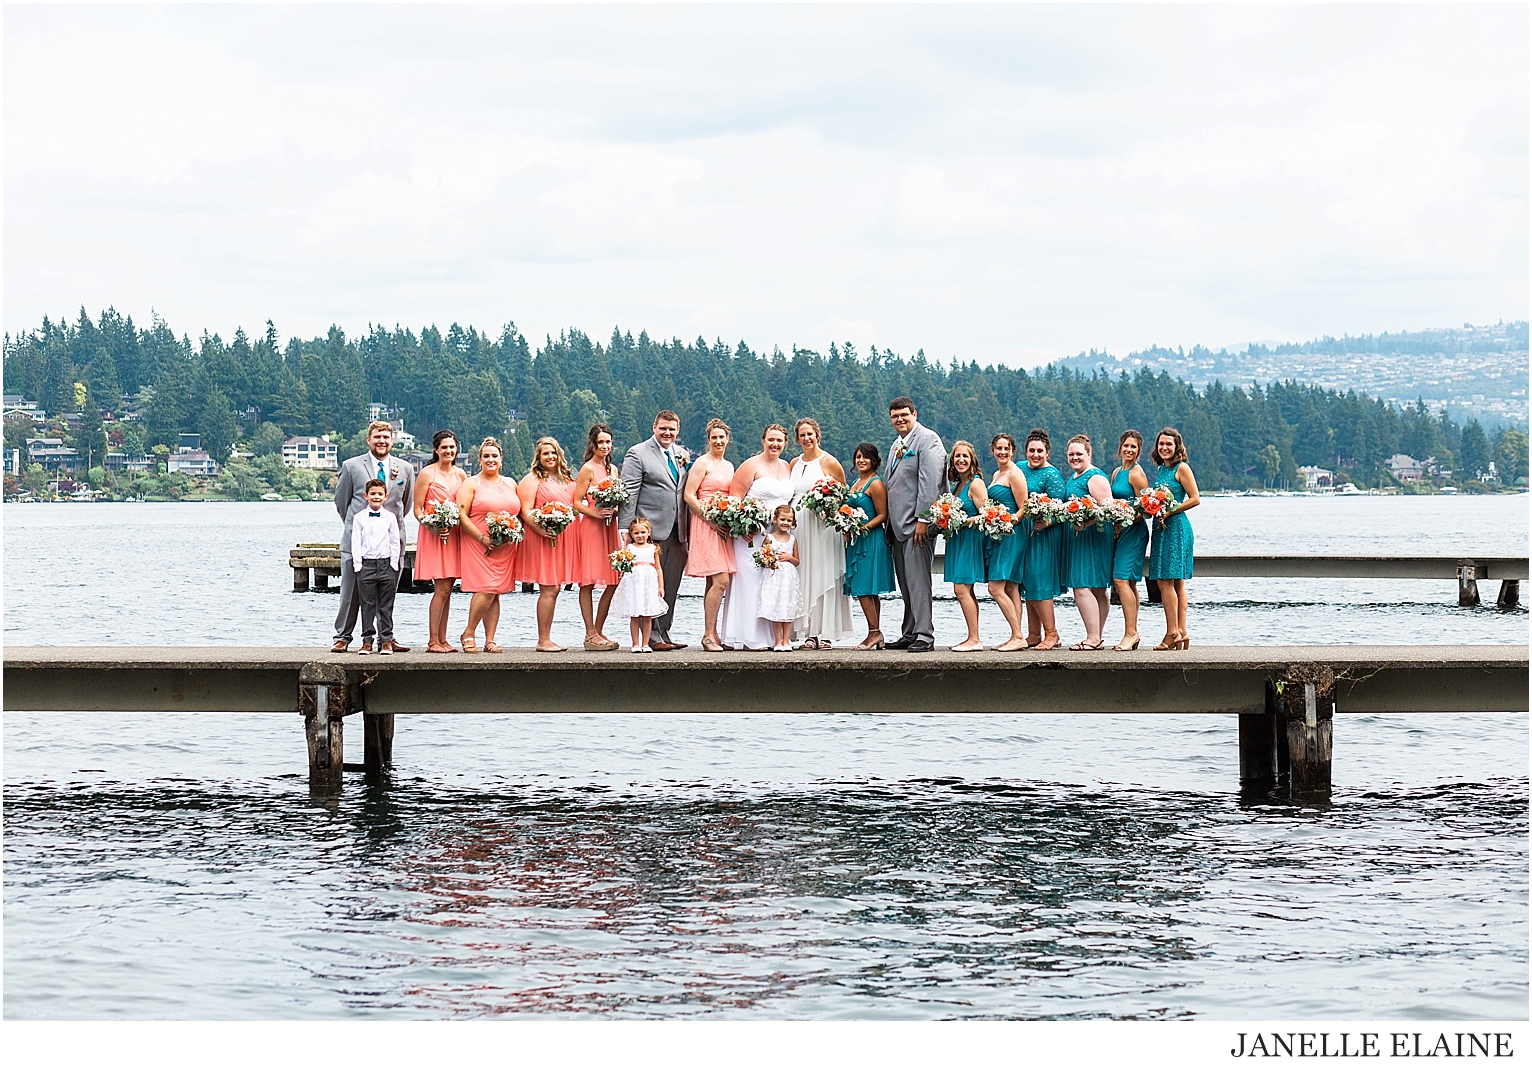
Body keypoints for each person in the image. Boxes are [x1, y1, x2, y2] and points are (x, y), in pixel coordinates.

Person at [331, 420, 414, 653]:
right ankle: (343, 637)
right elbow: (341, 502)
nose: (382, 441)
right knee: (351, 593)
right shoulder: (351, 466)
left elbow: (405, 505)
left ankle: (385, 638)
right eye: (377, 437)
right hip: (356, 542)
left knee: (387, 593)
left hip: (390, 544)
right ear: (369, 439)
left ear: (392, 440)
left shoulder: (404, 469)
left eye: (386, 437)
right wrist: (360, 526)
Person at [618, 411, 690, 651]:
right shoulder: (637, 453)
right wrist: (626, 529)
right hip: (649, 532)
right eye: (663, 429)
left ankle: (665, 633)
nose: (667, 433)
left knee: (670, 585)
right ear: (654, 427)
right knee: (649, 587)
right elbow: (628, 493)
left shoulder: (680, 454)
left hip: (678, 529)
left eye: (672, 429)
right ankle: (652, 638)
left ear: (678, 430)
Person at [718, 424, 794, 650]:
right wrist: (744, 525)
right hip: (751, 535)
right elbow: (734, 500)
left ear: (785, 443)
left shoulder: (786, 466)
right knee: (750, 582)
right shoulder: (750, 465)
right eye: (771, 439)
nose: (775, 444)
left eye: (779, 440)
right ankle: (746, 636)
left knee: (773, 583)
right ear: (763, 441)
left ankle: (775, 638)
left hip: (777, 535)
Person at [882, 397, 946, 653]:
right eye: (895, 416)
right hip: (897, 527)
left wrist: (923, 519)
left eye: (904, 415)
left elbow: (930, 483)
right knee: (906, 585)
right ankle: (909, 632)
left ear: (914, 414)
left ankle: (924, 635)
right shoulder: (897, 444)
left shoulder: (928, 440)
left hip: (916, 527)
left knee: (919, 583)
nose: (900, 419)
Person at [788, 418, 855, 649]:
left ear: (817, 435)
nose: (806, 438)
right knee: (804, 574)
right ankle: (808, 633)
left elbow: (843, 496)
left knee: (823, 574)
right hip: (799, 528)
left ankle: (825, 632)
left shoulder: (829, 462)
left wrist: (831, 512)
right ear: (797, 439)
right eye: (802, 435)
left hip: (823, 528)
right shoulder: (794, 463)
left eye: (810, 434)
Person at [455, 437, 519, 653]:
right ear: (480, 460)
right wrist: (481, 538)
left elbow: (516, 514)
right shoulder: (471, 483)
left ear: (501, 459)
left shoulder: (510, 483)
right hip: (479, 544)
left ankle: (490, 639)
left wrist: (512, 531)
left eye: (494, 456)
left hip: (505, 546)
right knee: (486, 588)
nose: (491, 460)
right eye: (486, 456)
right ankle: (469, 632)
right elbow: (461, 515)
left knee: (496, 591)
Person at [517, 436, 580, 653]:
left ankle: (547, 638)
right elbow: (524, 512)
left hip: (564, 538)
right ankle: (543, 640)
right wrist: (543, 530)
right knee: (550, 588)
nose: (550, 456)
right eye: (545, 453)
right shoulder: (532, 479)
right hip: (542, 539)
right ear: (539, 457)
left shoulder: (568, 478)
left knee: (555, 589)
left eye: (553, 452)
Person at [682, 417, 737, 652]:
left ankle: (713, 633)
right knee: (721, 580)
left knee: (713, 581)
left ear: (727, 439)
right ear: (708, 440)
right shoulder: (702, 463)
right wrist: (710, 519)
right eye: (714, 437)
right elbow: (689, 495)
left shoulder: (729, 465)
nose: (718, 441)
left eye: (721, 437)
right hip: (706, 524)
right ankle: (707, 635)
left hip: (723, 526)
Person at [412, 429, 466, 653]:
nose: (448, 451)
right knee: (441, 588)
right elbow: (417, 509)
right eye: (444, 447)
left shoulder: (461, 475)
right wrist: (431, 525)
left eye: (452, 447)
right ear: (435, 449)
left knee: (448, 588)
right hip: (435, 535)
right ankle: (433, 640)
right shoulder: (427, 474)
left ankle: (443, 639)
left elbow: (464, 506)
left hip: (454, 535)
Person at [1147, 426, 1200, 650]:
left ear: (1177, 446)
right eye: (1161, 444)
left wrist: (1171, 510)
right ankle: (1182, 632)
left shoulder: (1181, 468)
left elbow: (1195, 498)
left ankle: (1172, 633)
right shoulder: (1162, 470)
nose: (1165, 447)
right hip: (1162, 527)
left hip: (1176, 526)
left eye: (1169, 444)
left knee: (1165, 581)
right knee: (1176, 582)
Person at [572, 423, 623, 652]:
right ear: (593, 443)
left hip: (610, 527)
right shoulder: (588, 469)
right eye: (600, 442)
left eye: (608, 442)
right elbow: (576, 501)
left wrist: (616, 508)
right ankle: (589, 632)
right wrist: (595, 512)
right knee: (589, 580)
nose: (604, 446)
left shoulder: (612, 470)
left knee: (614, 579)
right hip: (592, 527)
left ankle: (599, 629)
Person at [841, 443, 895, 650]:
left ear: (874, 460)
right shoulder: (856, 481)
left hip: (870, 539)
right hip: (856, 539)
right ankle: (875, 633)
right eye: (858, 457)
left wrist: (861, 527)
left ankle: (874, 633)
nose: (861, 460)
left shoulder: (875, 484)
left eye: (866, 457)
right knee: (867, 590)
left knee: (865, 588)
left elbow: (883, 515)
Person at [1063, 434, 1114, 650]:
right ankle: (1096, 637)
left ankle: (1093, 638)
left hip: (1093, 537)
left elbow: (1109, 509)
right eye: (1071, 454)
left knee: (1082, 586)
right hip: (1081, 537)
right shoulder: (1075, 477)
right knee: (1096, 588)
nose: (1075, 458)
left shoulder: (1095, 478)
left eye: (1079, 454)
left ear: (1089, 454)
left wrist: (1086, 523)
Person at [981, 433, 1030, 651]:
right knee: (1011, 587)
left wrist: (1008, 522)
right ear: (993, 450)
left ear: (1012, 451)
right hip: (999, 533)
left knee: (995, 587)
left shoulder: (1015, 474)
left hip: (1012, 534)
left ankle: (1018, 635)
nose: (1002, 452)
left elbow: (1024, 507)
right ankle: (1015, 636)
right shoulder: (996, 474)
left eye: (1006, 449)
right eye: (999, 448)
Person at [1020, 429, 1066, 650]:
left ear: (1047, 452)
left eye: (1040, 451)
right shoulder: (1019, 468)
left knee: (1040, 582)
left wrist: (1047, 521)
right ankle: (1033, 633)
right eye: (1031, 451)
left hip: (1044, 534)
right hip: (1024, 532)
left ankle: (1052, 633)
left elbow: (1062, 509)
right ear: (1025, 451)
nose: (1035, 455)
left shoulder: (1052, 475)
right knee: (1028, 583)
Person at [941, 440, 989, 652]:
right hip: (957, 540)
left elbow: (987, 515)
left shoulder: (976, 484)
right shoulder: (958, 486)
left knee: (961, 589)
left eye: (965, 457)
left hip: (969, 541)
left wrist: (961, 521)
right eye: (957, 456)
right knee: (964, 590)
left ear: (972, 461)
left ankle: (975, 639)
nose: (961, 460)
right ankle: (972, 636)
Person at [351, 479, 404, 654]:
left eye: (380, 494)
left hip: (385, 564)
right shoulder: (359, 518)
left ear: (386, 496)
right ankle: (367, 641)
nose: (376, 497)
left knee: (386, 604)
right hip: (366, 565)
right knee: (367, 604)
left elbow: (395, 541)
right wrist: (358, 565)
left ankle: (386, 640)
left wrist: (393, 564)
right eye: (372, 494)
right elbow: (356, 542)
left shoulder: (390, 517)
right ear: (365, 496)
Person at [1110, 430, 1151, 651]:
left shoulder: (1137, 474)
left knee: (1120, 579)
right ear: (1120, 447)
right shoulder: (1117, 472)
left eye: (1133, 447)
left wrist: (1126, 520)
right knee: (1130, 582)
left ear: (1138, 451)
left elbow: (1147, 509)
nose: (1129, 450)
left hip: (1134, 533)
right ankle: (1132, 632)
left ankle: (1130, 633)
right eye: (1126, 446)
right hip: (1120, 532)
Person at [616, 518, 667, 654]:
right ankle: (635, 643)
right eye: (636, 533)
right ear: (632, 534)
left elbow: (658, 568)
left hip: (649, 583)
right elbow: (625, 566)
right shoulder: (630, 548)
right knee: (635, 614)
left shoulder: (653, 548)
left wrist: (661, 586)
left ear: (649, 532)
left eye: (643, 532)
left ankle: (646, 643)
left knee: (647, 615)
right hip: (635, 583)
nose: (640, 536)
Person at [758, 504, 802, 652]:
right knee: (776, 609)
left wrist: (789, 557)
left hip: (789, 578)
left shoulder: (792, 539)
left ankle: (786, 640)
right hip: (775, 577)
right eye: (782, 519)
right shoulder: (769, 538)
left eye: (789, 521)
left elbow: (797, 561)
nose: (785, 523)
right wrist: (771, 563)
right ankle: (778, 641)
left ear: (793, 522)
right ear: (775, 519)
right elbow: (763, 558)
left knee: (787, 608)